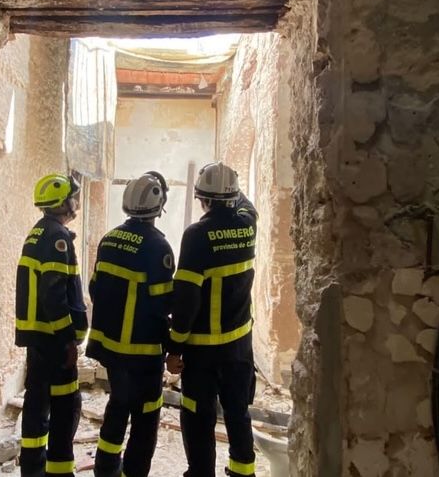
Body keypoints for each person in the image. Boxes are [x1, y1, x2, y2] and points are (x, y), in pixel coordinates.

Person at [166, 162, 259, 477]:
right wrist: (228, 178)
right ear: (233, 196)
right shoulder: (248, 225)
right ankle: (244, 471)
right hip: (239, 347)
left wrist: (175, 346)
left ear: (202, 198)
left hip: (203, 351)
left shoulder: (196, 236)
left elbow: (187, 299)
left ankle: (200, 473)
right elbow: (246, 205)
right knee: (237, 412)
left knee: (198, 415)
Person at [86, 172, 175, 477]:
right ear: (158, 205)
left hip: (110, 347)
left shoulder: (109, 239)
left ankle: (105, 470)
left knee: (118, 405)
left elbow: (95, 289)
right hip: (143, 351)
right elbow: (165, 303)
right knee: (146, 416)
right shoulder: (158, 247)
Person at [15, 173, 89, 477]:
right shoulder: (57, 238)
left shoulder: (38, 233)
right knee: (64, 406)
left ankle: (32, 469)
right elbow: (53, 292)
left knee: (36, 404)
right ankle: (59, 471)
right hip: (53, 340)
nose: (77, 203)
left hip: (38, 339)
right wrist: (67, 340)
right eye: (74, 197)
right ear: (63, 202)